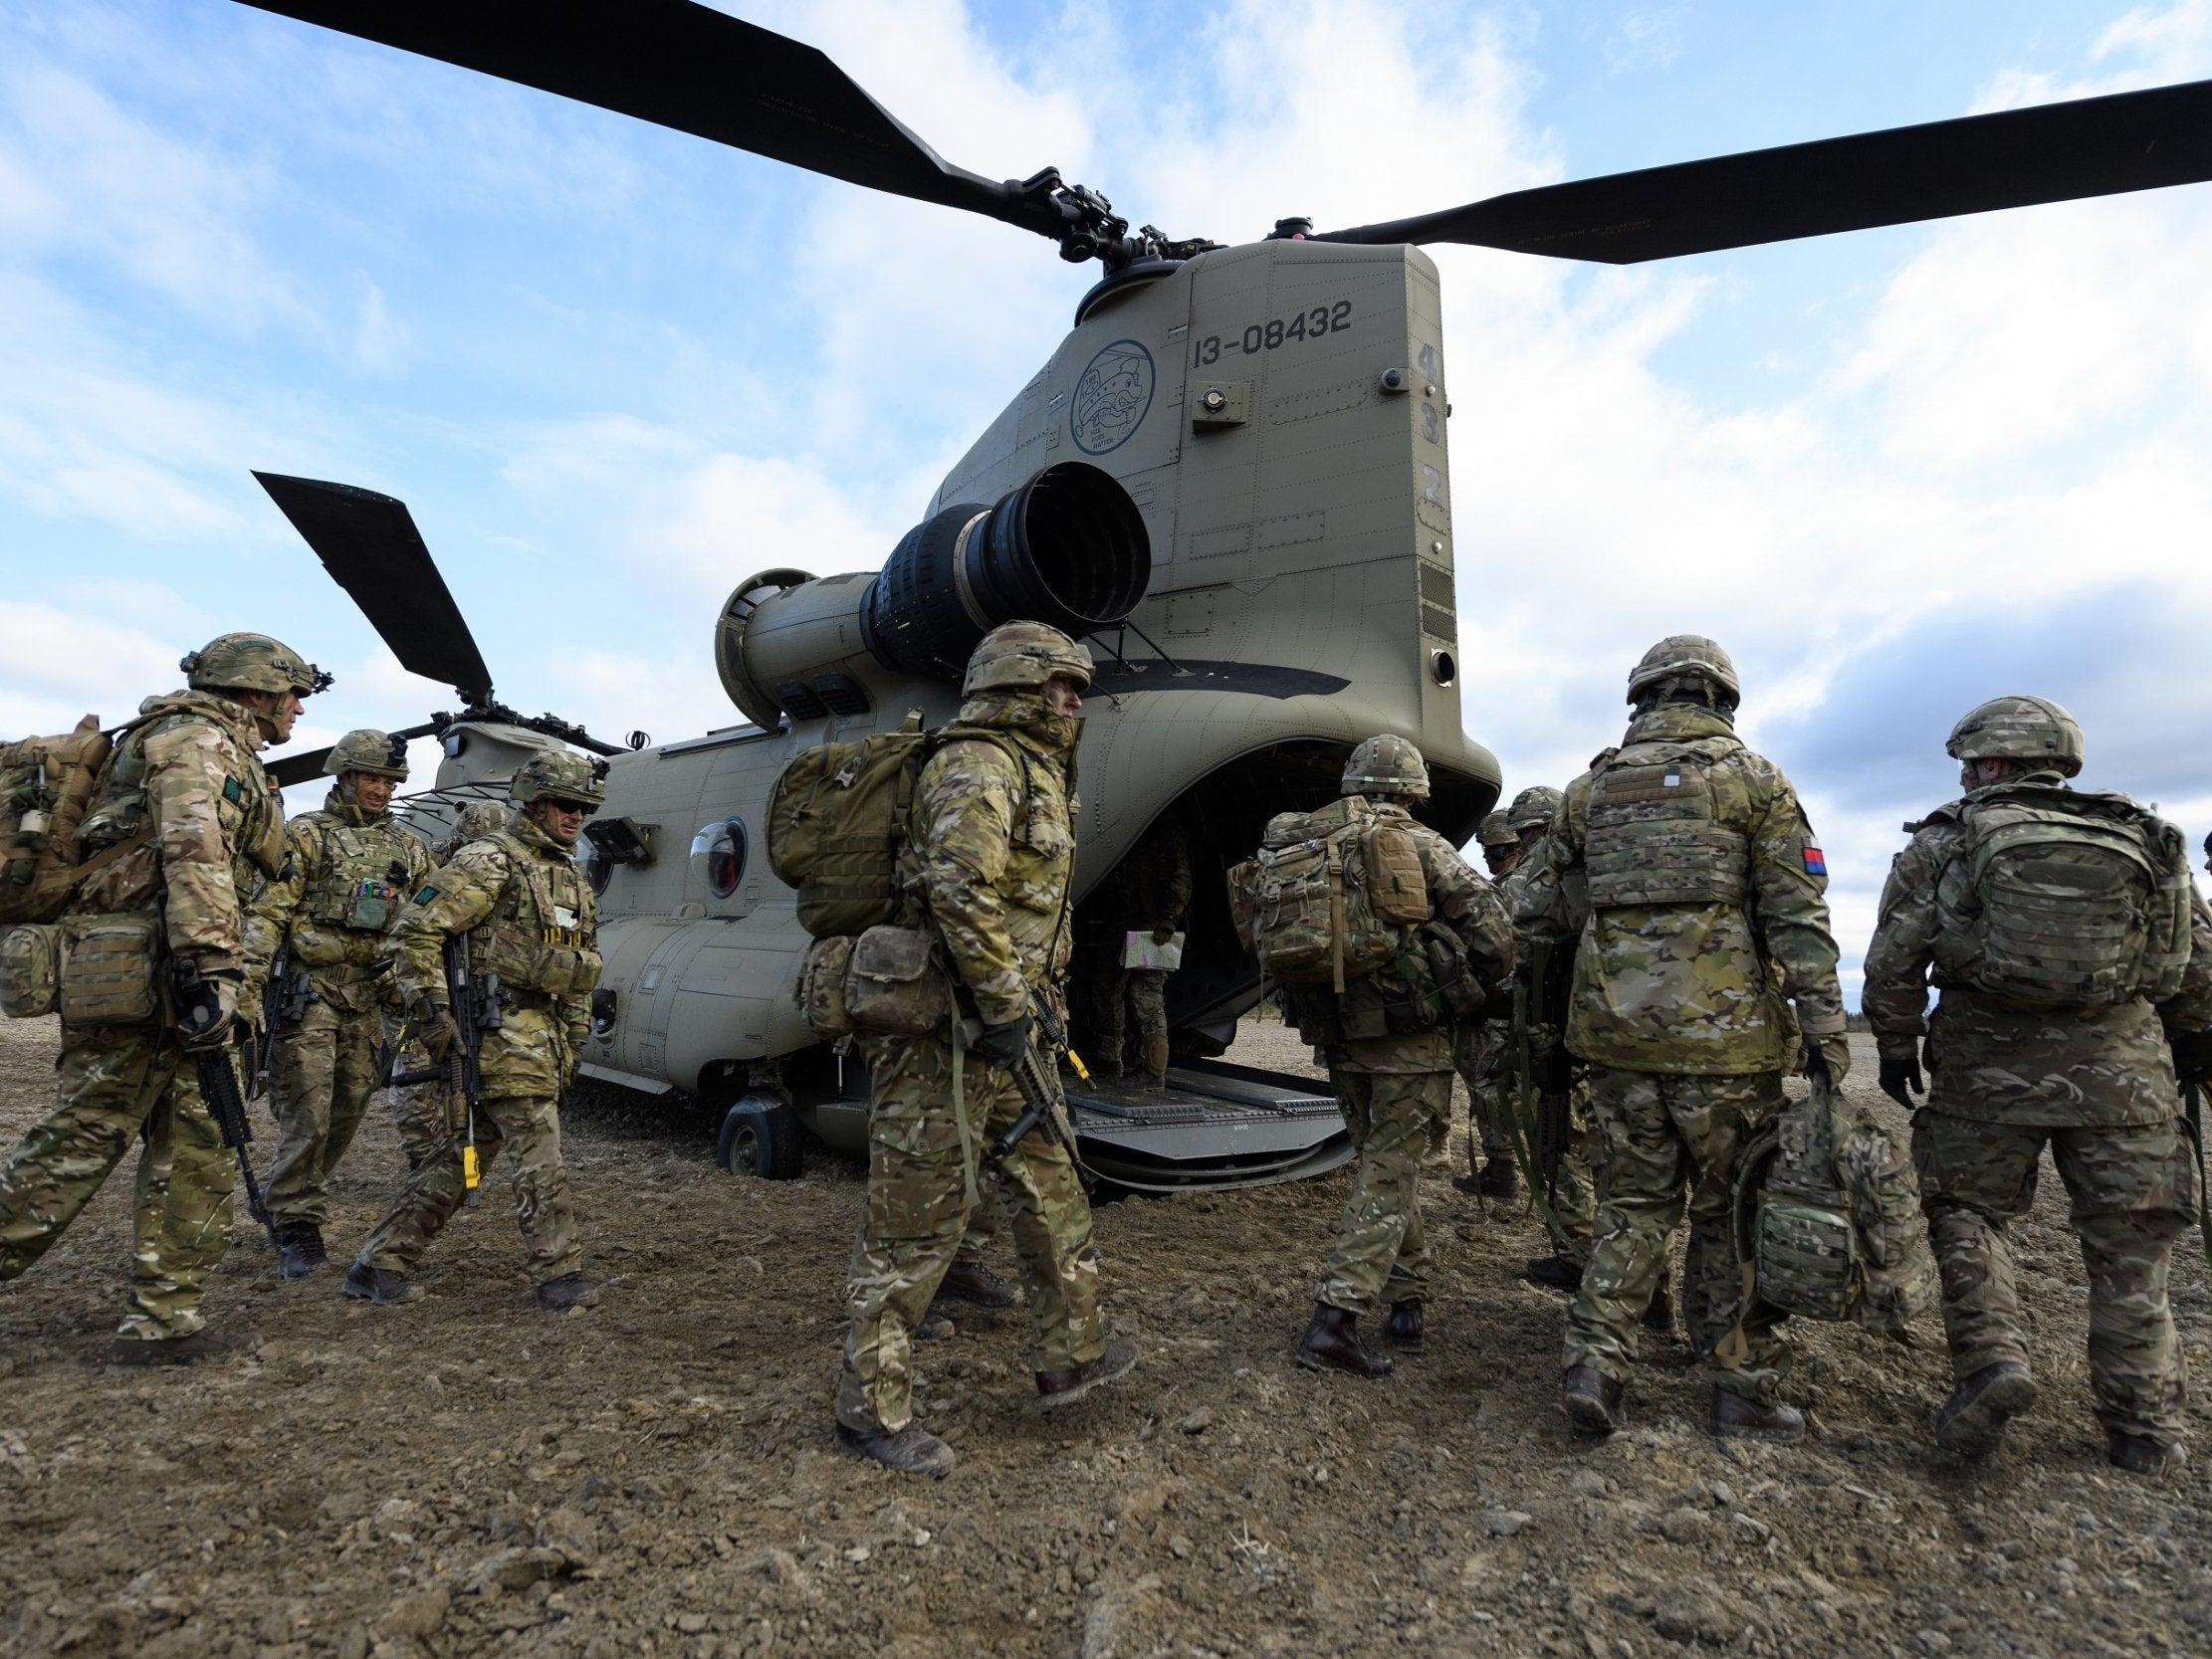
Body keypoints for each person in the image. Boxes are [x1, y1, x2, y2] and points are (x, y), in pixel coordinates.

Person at [1863, 696, 2211, 1475]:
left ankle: (1993, 1362)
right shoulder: (2145, 837)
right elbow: (2196, 968)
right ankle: (2143, 1427)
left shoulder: (1946, 841)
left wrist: (1895, 1042)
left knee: (1967, 1214)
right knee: (2129, 1254)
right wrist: (2187, 1048)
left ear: (1988, 763)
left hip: (1987, 1075)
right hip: (2125, 1080)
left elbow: (1892, 959)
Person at [1518, 636, 1847, 1442]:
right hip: (1728, 1051)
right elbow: (1797, 917)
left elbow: (1539, 912)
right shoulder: (1756, 782)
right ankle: (1739, 1381)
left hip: (1618, 1044)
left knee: (1631, 1206)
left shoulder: (1585, 793)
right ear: (1723, 699)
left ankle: (1596, 1363)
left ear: (1643, 698)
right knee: (1732, 1209)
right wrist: (1827, 1034)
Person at [834, 622, 1136, 1476]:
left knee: (1051, 1184)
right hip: (944, 1037)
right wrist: (1006, 1002)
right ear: (1012, 687)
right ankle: (868, 1410)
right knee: (913, 1228)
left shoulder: (1038, 770)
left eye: (1079, 688)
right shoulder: (979, 764)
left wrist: (1026, 1012)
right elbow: (960, 888)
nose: (1075, 703)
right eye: (1060, 686)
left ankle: (1070, 1352)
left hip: (1009, 1029)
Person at [0, 632, 323, 1362]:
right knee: (82, 1140)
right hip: (150, 976)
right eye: (292, 691)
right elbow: (193, 850)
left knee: (202, 1140)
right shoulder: (191, 740)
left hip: (180, 971)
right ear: (255, 687)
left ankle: (163, 1318)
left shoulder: (225, 748)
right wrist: (211, 965)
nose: (298, 707)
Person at [1281, 734, 1514, 1377]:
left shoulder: (1307, 839)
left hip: (1335, 1032)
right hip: (1409, 1038)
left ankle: (1406, 1297)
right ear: (1413, 790)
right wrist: (1476, 986)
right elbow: (1493, 930)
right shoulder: (1420, 843)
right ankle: (1334, 1317)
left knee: (1384, 1164)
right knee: (1391, 1170)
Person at [341, 750, 606, 1311]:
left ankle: (380, 1260)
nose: (574, 816)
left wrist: (576, 1035)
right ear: (534, 804)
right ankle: (559, 1274)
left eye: (583, 807)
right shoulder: (491, 861)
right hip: (496, 1030)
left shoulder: (570, 876)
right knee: (540, 1153)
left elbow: (578, 962)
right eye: (564, 804)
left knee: (463, 1157)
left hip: (543, 1036)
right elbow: (414, 933)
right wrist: (434, 1012)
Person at [242, 729, 431, 1278]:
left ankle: (286, 1196)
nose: (382, 789)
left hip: (368, 997)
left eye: (390, 780)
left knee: (348, 1109)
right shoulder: (307, 836)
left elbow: (424, 922)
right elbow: (269, 914)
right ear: (344, 777)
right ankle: (298, 1223)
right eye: (372, 777)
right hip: (310, 992)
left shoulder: (409, 847)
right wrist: (245, 990)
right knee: (308, 1113)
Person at [379, 798, 514, 1173]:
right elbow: (403, 931)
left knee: (466, 1078)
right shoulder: (423, 868)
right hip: (415, 991)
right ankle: (422, 1158)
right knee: (416, 1075)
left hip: (468, 989)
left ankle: (459, 1161)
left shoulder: (502, 872)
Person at [1451, 808, 1530, 1199]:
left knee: (1489, 1087)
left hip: (1499, 1007)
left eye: (1495, 850)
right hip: (1522, 1004)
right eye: (1486, 849)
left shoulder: (1508, 888)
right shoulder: (1536, 880)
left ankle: (1503, 1168)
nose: (1488, 857)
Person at [1084, 816, 1192, 1088]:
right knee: (1106, 988)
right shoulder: (1127, 826)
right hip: (1122, 921)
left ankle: (1153, 1070)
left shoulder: (1162, 828)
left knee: (1146, 996)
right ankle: (1109, 1057)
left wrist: (1169, 917)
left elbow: (1181, 875)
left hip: (1152, 924)